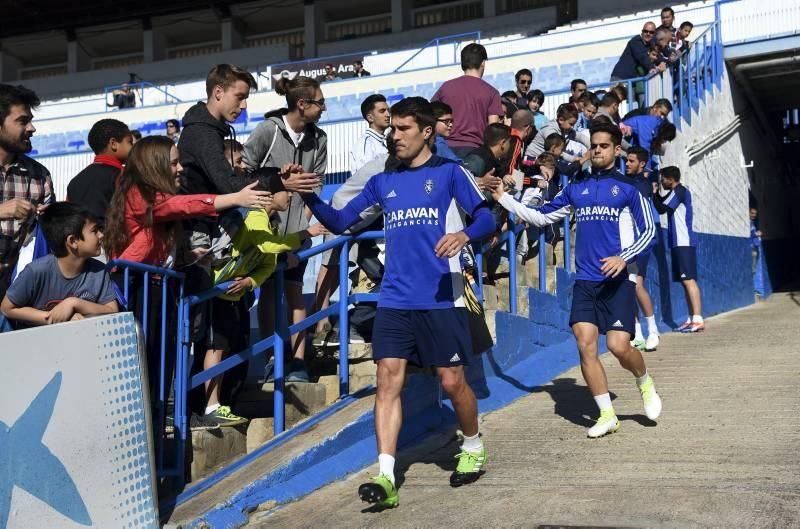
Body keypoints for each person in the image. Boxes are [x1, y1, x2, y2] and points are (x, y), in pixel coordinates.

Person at [297, 97, 496, 507]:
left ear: (426, 132)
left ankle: (473, 446)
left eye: (404, 128)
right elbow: (340, 222)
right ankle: (386, 476)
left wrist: (464, 236)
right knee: (388, 380)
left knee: (451, 381)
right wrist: (308, 195)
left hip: (443, 296)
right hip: (395, 298)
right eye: (392, 128)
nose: (395, 135)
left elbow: (487, 217)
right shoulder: (382, 181)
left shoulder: (449, 173)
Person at [490, 122, 662, 438]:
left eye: (603, 146)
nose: (597, 150)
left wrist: (623, 257)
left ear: (616, 149)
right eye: (593, 145)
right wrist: (503, 198)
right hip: (585, 280)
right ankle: (607, 415)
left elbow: (649, 231)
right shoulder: (576, 188)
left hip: (619, 279)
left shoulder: (628, 188)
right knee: (585, 345)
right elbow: (541, 217)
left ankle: (644, 381)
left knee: (619, 346)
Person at [203, 173, 327, 426]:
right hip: (218, 291)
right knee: (216, 347)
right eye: (285, 191)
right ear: (270, 196)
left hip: (237, 293)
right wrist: (305, 233)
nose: (290, 195)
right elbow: (266, 246)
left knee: (226, 348)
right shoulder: (257, 217)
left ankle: (219, 402)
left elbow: (267, 266)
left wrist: (251, 282)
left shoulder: (272, 223)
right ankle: (210, 405)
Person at [243, 75, 327, 383]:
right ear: (301, 104)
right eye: (320, 103)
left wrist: (301, 226)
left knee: (294, 294)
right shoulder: (267, 131)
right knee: (267, 296)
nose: (324, 109)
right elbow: (243, 174)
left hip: (296, 236)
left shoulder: (319, 139)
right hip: (265, 234)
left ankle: (299, 362)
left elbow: (314, 187)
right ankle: (271, 359)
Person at [1, 202, 118, 328]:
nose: (101, 235)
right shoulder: (35, 272)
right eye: (94, 231)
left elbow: (112, 310)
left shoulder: (99, 271)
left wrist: (74, 303)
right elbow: (6, 308)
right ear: (72, 241)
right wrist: (51, 319)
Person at [0, 84, 54, 302]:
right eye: (22, 121)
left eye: (30, 120)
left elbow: (50, 241)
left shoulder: (39, 175)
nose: (32, 128)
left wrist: (48, 220)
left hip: (18, 295)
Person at [653, 166, 704, 333]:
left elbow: (661, 209)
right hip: (677, 243)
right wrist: (656, 195)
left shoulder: (680, 191)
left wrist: (654, 194)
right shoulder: (675, 193)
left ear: (670, 178)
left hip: (684, 242)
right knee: (684, 281)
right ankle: (691, 318)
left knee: (689, 280)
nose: (662, 181)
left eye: (663, 179)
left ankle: (698, 319)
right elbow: (663, 203)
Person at [431, 43, 503, 159]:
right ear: (483, 63)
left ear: (462, 64)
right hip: (475, 151)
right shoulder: (492, 92)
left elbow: (431, 114)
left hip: (444, 149)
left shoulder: (446, 87)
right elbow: (493, 130)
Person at [66, 119, 132, 234]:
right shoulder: (124, 176)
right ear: (113, 144)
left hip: (84, 246)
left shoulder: (74, 182)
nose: (133, 147)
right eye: (130, 142)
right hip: (117, 242)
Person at [625, 147, 660, 352]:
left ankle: (653, 331)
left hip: (642, 242)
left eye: (631, 161)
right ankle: (637, 333)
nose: (627, 164)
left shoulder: (643, 184)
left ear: (642, 164)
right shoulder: (626, 180)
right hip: (627, 242)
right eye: (626, 160)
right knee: (628, 287)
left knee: (637, 286)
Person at [350, 94, 390, 174]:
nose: (388, 115)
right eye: (382, 111)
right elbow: (364, 178)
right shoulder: (365, 143)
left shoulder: (384, 142)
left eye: (388, 110)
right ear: (370, 118)